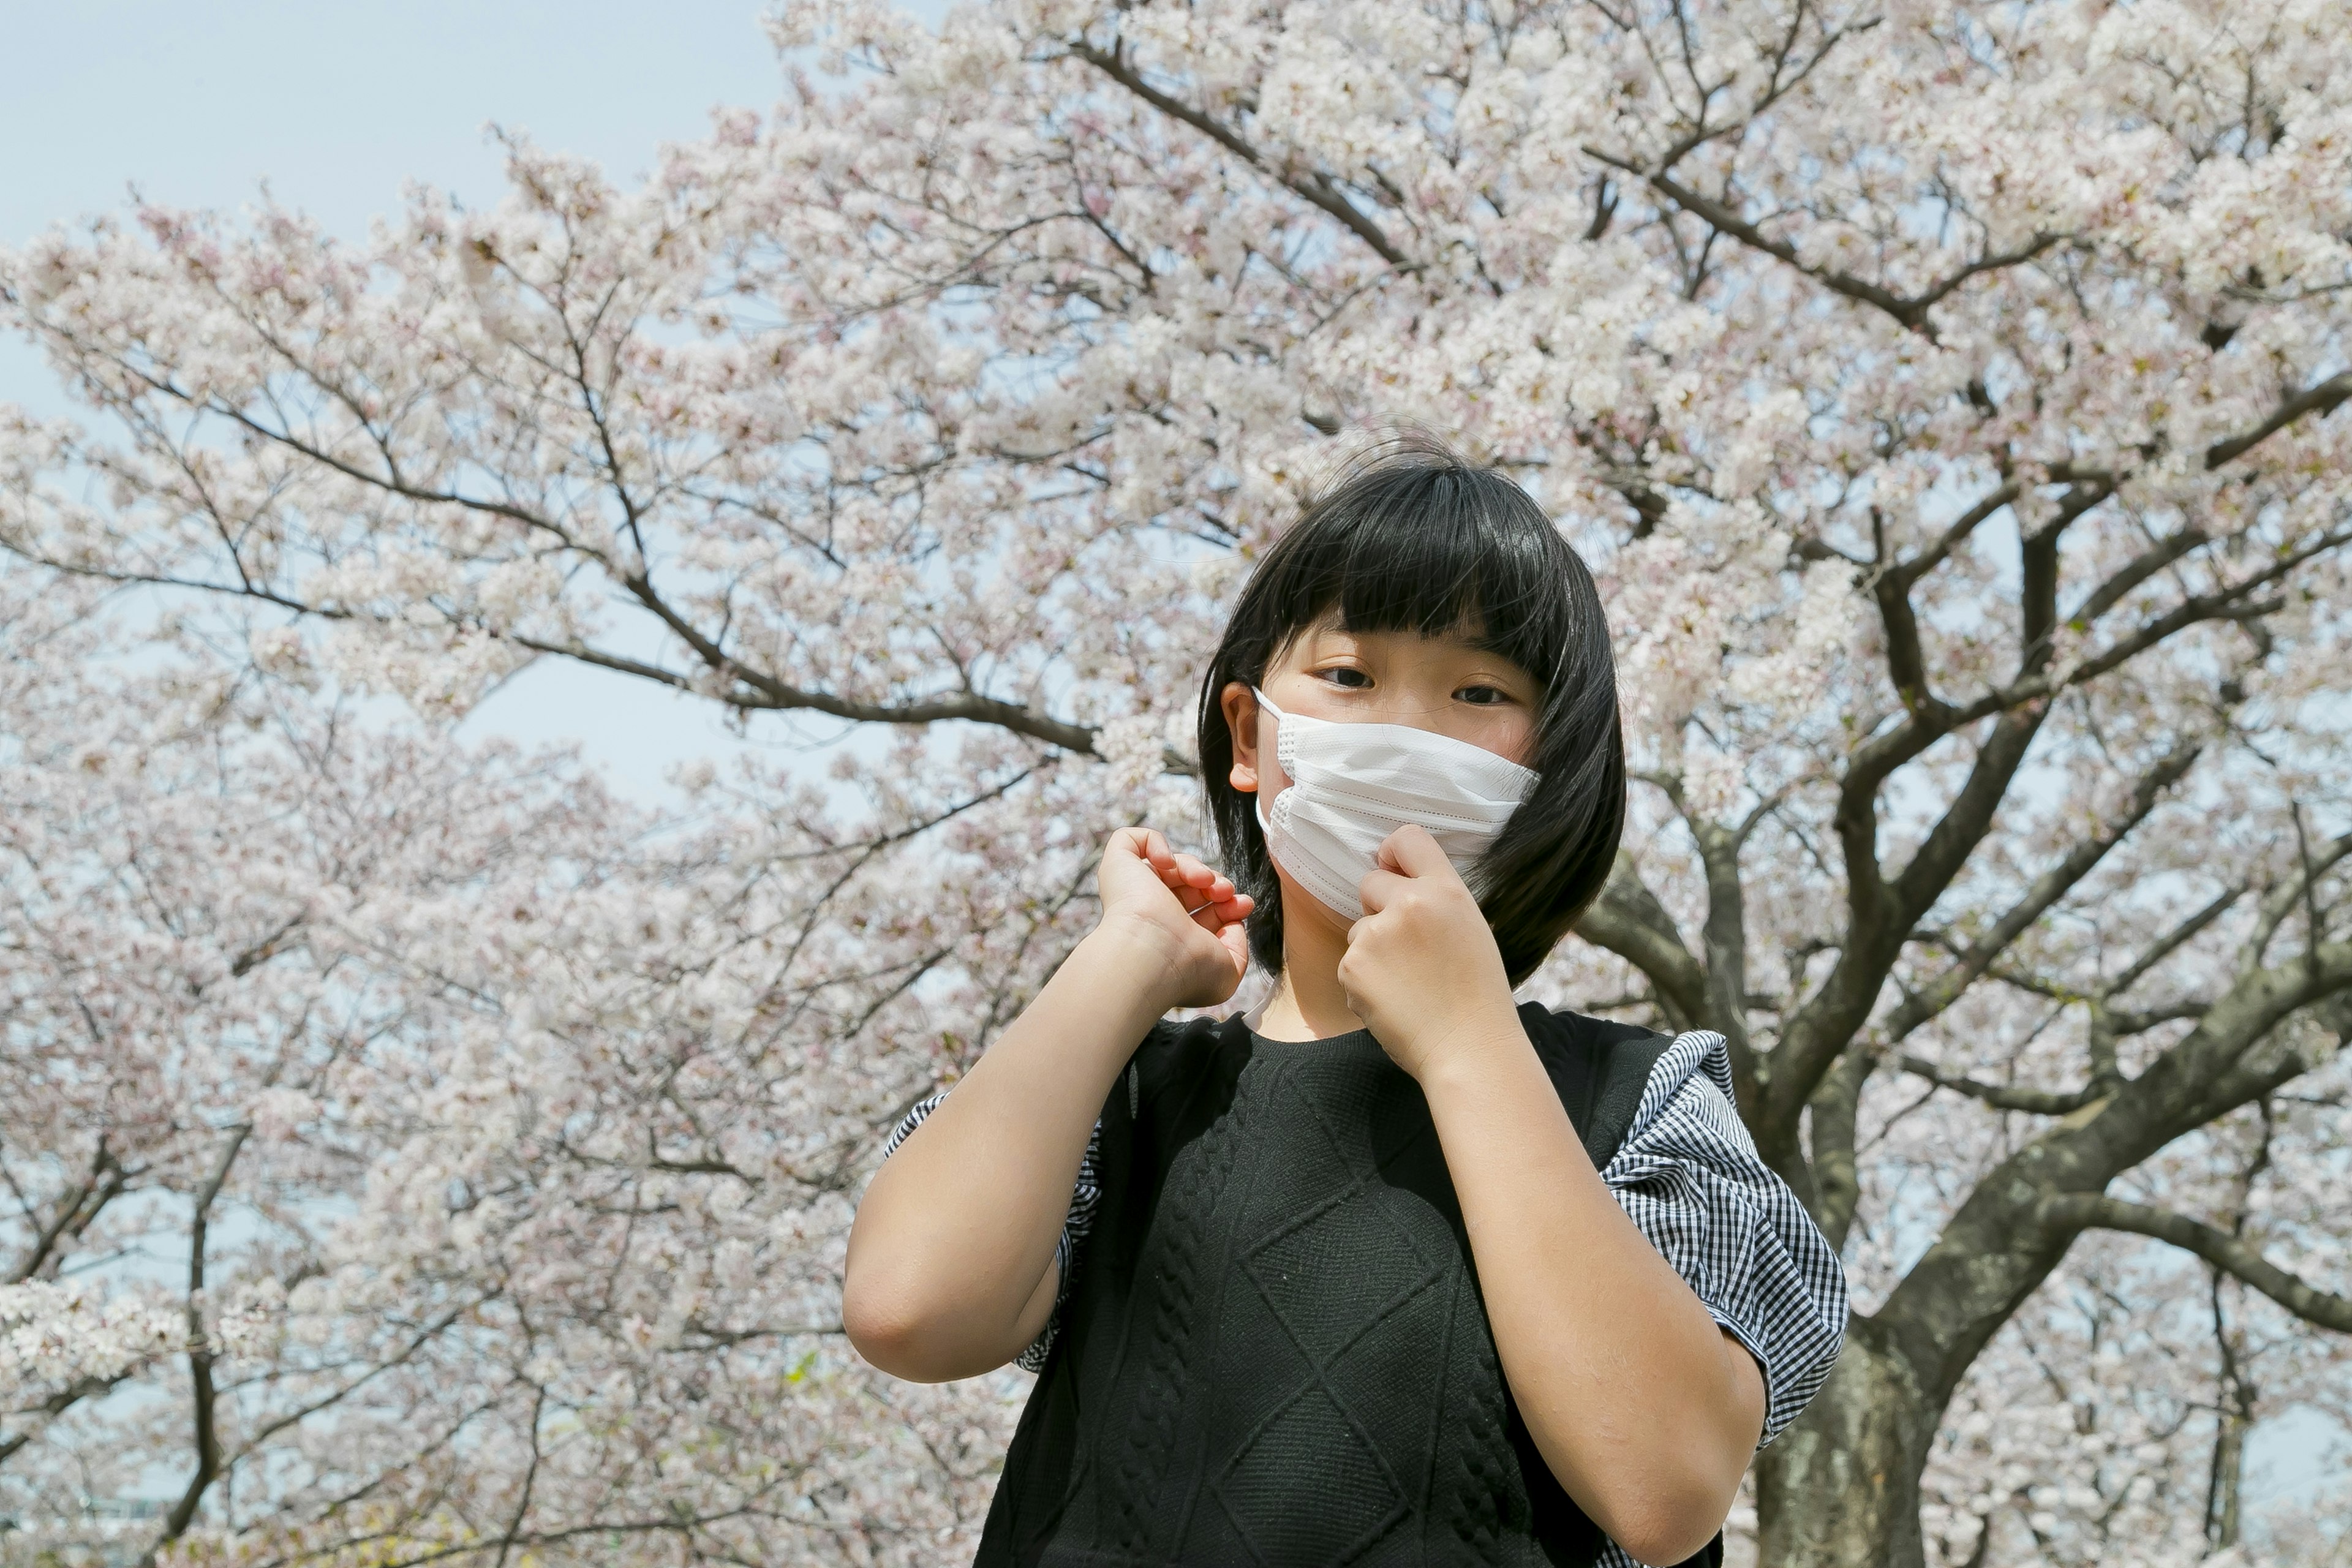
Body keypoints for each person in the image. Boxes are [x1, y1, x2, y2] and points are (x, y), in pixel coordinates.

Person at [843, 433, 1847, 1567]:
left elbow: (1663, 1486)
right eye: (1348, 677)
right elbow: (908, 1308)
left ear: (1550, 763)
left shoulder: (1641, 1099)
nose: (1402, 730)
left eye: (1478, 690)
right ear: (1248, 736)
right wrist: (1126, 957)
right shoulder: (1125, 1100)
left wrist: (1469, 1040)